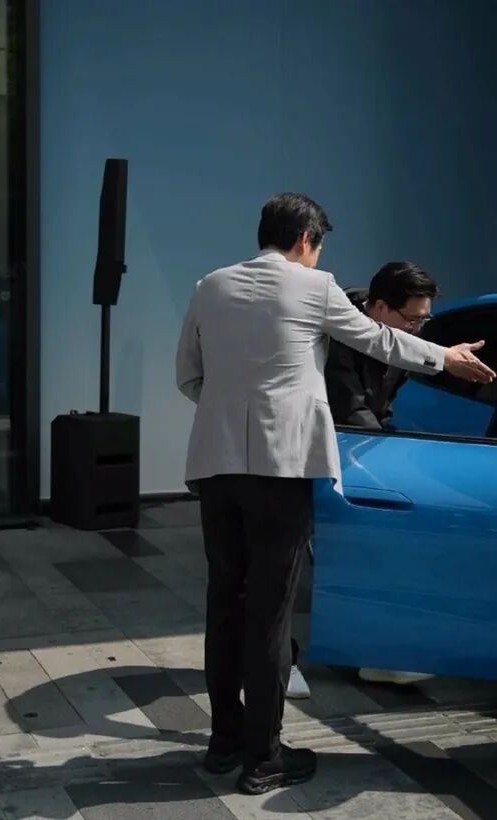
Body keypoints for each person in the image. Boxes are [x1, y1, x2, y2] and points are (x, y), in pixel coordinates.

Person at [175, 193, 494, 796]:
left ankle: (224, 744)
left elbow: (189, 375)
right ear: (306, 240)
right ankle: (264, 758)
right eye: (318, 246)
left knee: (225, 606)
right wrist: (446, 359)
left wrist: (228, 416)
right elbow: (381, 341)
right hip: (281, 471)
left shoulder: (209, 285)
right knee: (270, 615)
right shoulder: (314, 286)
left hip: (215, 468)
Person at [324, 260, 439, 685]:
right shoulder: (340, 331)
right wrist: (383, 461)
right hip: (328, 451)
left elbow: (381, 403)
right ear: (378, 307)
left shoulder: (404, 337)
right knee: (346, 557)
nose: (417, 330)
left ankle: (378, 653)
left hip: (365, 449)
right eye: (412, 319)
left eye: (424, 320)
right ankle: (357, 654)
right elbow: (349, 406)